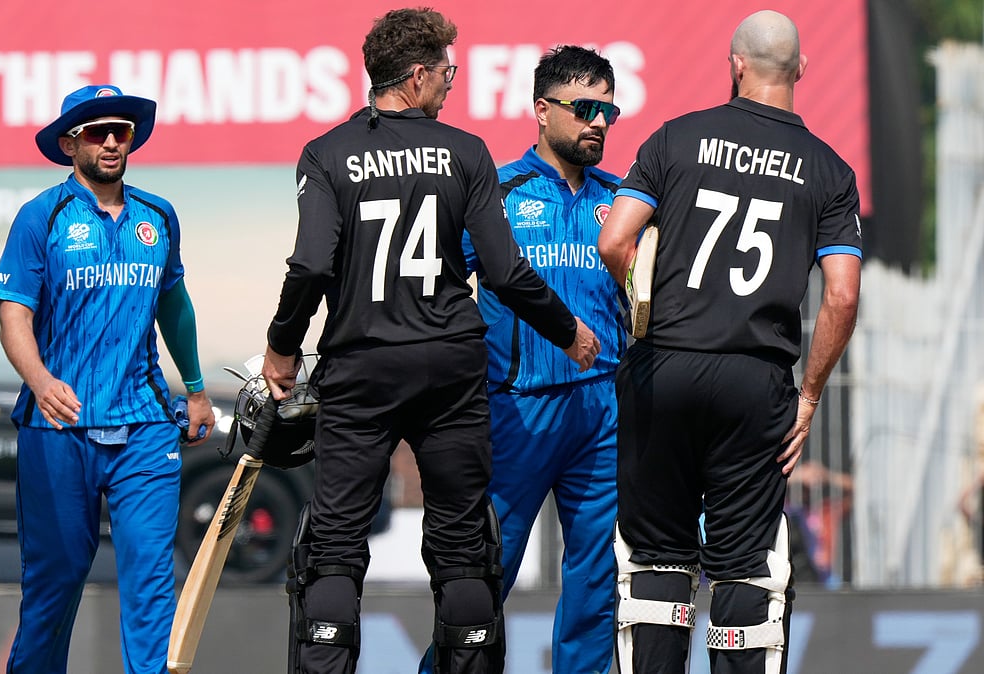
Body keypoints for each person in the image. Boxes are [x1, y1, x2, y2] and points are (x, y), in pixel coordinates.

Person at [259, 8, 600, 674]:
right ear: (415, 77)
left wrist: (282, 346)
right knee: (464, 546)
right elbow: (503, 271)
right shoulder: (466, 152)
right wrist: (568, 329)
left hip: (360, 364)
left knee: (333, 548)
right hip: (449, 366)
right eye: (447, 71)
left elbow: (311, 265)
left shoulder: (326, 153)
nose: (451, 83)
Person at [597, 10, 861, 674]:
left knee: (658, 559)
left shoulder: (675, 140)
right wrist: (808, 396)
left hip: (665, 369)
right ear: (799, 70)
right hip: (756, 381)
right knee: (746, 567)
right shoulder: (828, 172)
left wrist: (644, 306)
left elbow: (614, 240)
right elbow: (842, 294)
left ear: (735, 65)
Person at [0, 84, 215, 674]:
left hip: (144, 422)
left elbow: (175, 307)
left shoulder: (158, 215)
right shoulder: (44, 216)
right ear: (69, 143)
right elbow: (15, 315)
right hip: (59, 424)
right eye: (96, 131)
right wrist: (39, 380)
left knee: (149, 583)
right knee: (54, 585)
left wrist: (193, 389)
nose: (112, 140)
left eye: (121, 129)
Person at [420, 45, 624, 674]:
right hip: (515, 407)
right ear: (542, 110)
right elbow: (440, 287)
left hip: (603, 411)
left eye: (609, 112)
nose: (598, 122)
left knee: (596, 581)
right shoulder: (498, 191)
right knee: (484, 578)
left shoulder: (624, 200)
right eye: (584, 107)